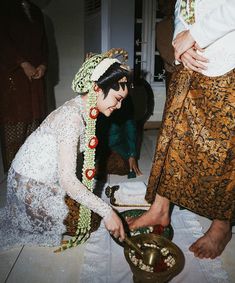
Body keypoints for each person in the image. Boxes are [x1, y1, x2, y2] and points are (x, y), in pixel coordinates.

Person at [128, 0, 235, 260]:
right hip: (191, 62)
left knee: (226, 148)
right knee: (174, 137)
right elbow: (183, 5)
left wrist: (195, 35)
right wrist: (180, 41)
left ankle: (222, 225)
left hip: (228, 57)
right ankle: (160, 209)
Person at [0, 48, 130, 251]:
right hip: (30, 187)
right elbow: (68, 180)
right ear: (97, 89)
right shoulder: (72, 118)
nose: (119, 106)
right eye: (118, 99)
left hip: (44, 178)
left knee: (90, 214)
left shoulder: (84, 107)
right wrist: (108, 212)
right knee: (91, 222)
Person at [0, 0, 48, 172]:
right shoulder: (4, 7)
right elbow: (3, 41)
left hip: (35, 76)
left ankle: (32, 171)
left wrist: (43, 65)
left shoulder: (36, 11)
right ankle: (15, 172)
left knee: (35, 121)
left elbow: (44, 44)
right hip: (13, 75)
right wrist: (22, 64)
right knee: (16, 122)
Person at [96, 94, 142, 179]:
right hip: (100, 148)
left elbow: (131, 131)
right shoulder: (96, 105)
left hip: (118, 145)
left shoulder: (124, 105)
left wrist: (132, 155)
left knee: (123, 167)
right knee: (93, 169)